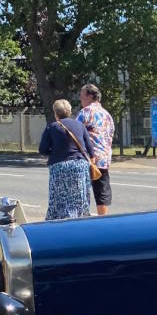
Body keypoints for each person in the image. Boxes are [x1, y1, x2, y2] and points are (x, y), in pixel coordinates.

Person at [39, 98, 95, 220]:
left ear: (55, 113)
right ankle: (81, 218)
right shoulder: (80, 125)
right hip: (80, 165)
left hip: (60, 166)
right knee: (79, 196)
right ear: (69, 112)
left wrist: (54, 152)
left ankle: (58, 220)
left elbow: (42, 149)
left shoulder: (52, 127)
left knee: (59, 197)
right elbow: (90, 149)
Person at [77, 83, 115, 215]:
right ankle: (103, 219)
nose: (80, 99)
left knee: (82, 191)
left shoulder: (86, 112)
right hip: (104, 159)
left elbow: (75, 132)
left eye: (82, 96)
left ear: (89, 96)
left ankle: (82, 218)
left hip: (89, 159)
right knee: (102, 192)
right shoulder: (107, 115)